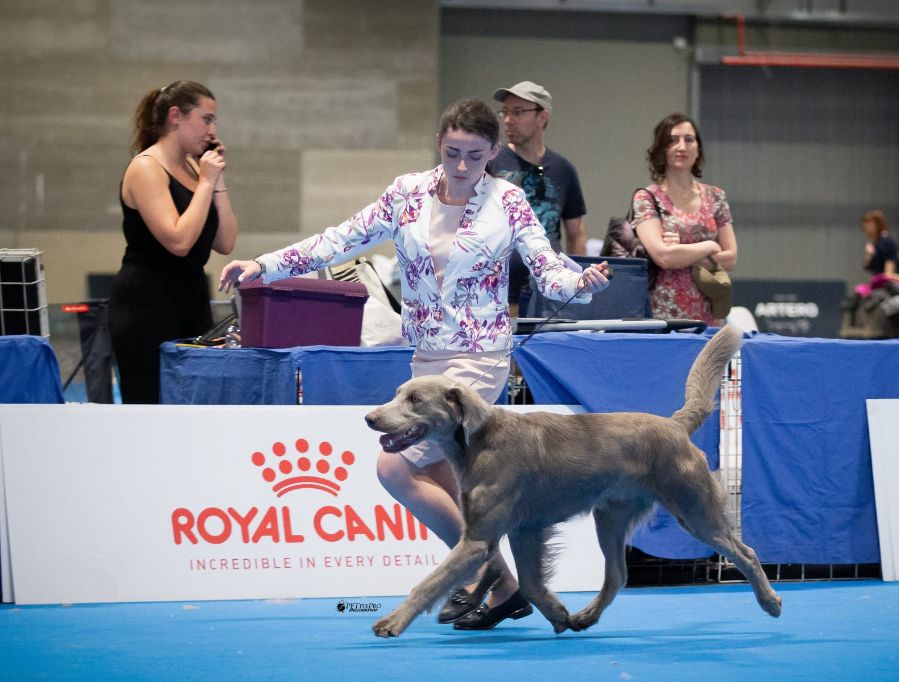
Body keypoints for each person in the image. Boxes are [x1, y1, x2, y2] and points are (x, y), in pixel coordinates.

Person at [218, 98, 610, 630]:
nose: (463, 167)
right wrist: (262, 265)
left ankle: (481, 572)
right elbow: (339, 239)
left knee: (394, 466)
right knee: (441, 478)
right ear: (439, 144)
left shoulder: (510, 201)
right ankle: (504, 585)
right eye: (453, 153)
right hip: (425, 360)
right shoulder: (406, 193)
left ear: (495, 150)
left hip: (480, 360)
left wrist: (579, 284)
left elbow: (548, 268)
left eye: (476, 155)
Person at [108, 80, 238, 404]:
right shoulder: (146, 168)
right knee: (150, 403)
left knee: (195, 403)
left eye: (214, 122)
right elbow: (178, 241)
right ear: (176, 116)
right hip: (146, 305)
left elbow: (225, 242)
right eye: (206, 119)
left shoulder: (196, 168)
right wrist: (206, 182)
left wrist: (216, 181)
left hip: (191, 297)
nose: (212, 130)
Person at [487, 81, 587, 312]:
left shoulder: (563, 169)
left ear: (542, 116)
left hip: (548, 295)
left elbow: (576, 233)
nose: (508, 120)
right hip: (498, 295)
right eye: (506, 112)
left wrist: (574, 289)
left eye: (518, 112)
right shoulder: (489, 162)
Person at [632, 113, 737, 324]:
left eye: (689, 139)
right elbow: (664, 257)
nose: (682, 146)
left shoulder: (715, 196)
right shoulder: (647, 197)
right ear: (662, 148)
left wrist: (681, 250)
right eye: (673, 140)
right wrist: (709, 246)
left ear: (698, 148)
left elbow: (731, 258)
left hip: (708, 315)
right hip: (662, 313)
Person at [861, 209, 899, 276]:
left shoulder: (886, 241)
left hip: (886, 283)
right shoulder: (875, 244)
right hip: (878, 279)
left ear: (878, 225)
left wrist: (886, 282)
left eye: (869, 224)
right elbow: (868, 267)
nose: (866, 228)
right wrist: (869, 255)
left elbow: (890, 262)